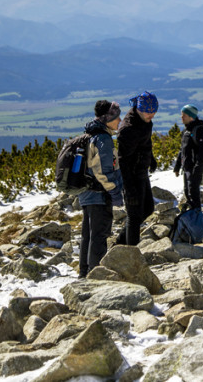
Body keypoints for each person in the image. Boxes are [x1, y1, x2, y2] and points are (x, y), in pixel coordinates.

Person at [78, 99, 124, 278]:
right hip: (99, 195)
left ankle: (84, 273)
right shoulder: (103, 139)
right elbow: (103, 171)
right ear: (107, 118)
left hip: (86, 194)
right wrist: (115, 192)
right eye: (117, 117)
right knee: (99, 235)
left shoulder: (90, 134)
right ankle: (95, 275)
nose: (120, 121)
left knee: (88, 236)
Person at [115, 91, 158, 246]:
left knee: (147, 209)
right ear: (139, 109)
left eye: (154, 112)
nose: (151, 116)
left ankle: (118, 245)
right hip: (131, 175)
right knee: (134, 216)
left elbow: (145, 142)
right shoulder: (128, 129)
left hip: (141, 171)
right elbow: (123, 162)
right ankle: (130, 254)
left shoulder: (145, 121)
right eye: (148, 113)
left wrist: (150, 158)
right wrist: (129, 189)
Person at [173, 104, 203, 212]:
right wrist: (177, 167)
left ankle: (197, 215)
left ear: (191, 117)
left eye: (184, 115)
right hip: (187, 167)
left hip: (195, 167)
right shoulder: (186, 131)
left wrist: (198, 168)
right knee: (187, 192)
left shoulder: (200, 130)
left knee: (193, 192)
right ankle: (192, 214)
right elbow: (182, 150)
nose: (181, 117)